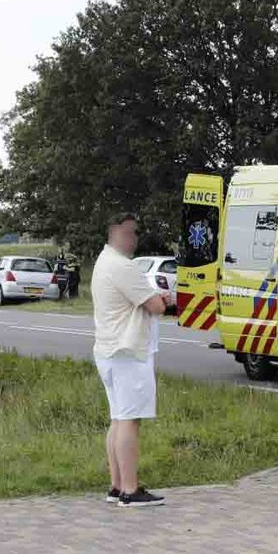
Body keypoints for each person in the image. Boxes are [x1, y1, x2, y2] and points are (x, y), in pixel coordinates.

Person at [92, 214, 173, 507]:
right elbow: (154, 306)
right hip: (128, 351)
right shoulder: (123, 266)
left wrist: (154, 298)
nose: (136, 238)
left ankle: (116, 485)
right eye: (133, 232)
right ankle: (130, 489)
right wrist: (162, 299)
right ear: (119, 232)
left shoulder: (103, 261)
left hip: (108, 349)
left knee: (117, 418)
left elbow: (140, 300)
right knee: (130, 421)